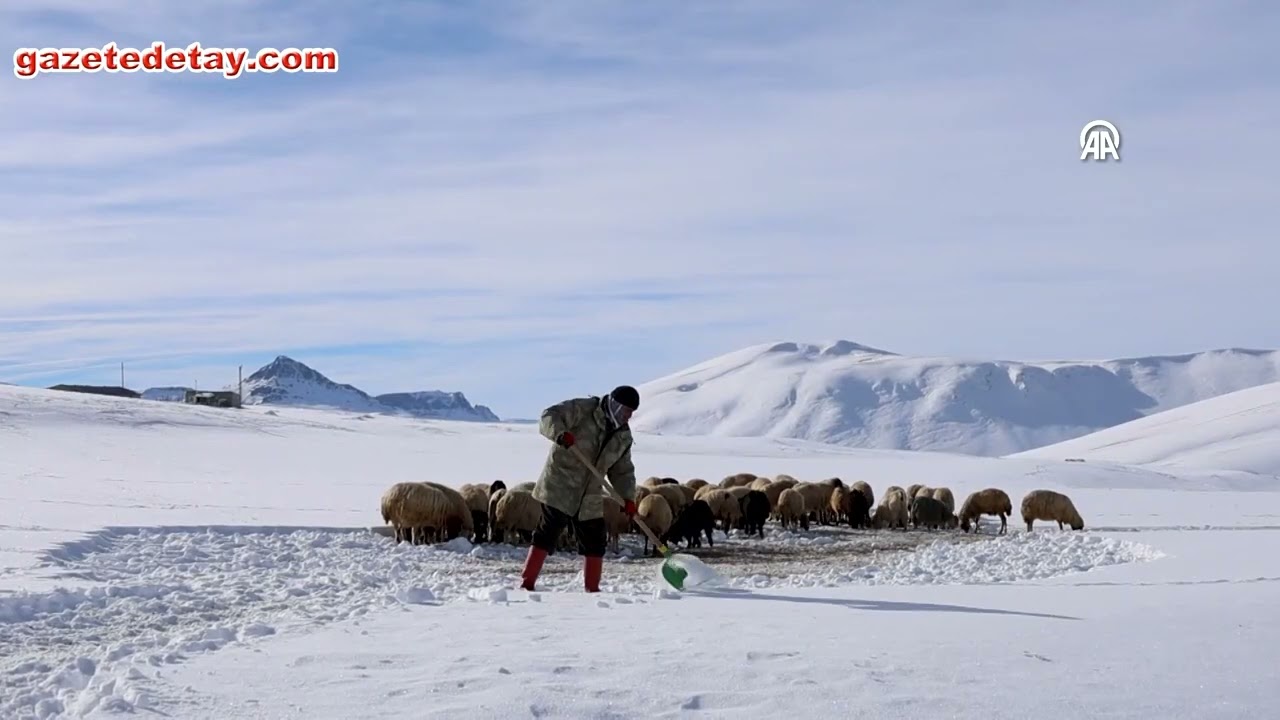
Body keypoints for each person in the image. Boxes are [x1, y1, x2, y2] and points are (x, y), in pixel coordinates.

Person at [519, 385, 640, 593]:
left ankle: (592, 590)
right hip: (562, 484)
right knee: (547, 532)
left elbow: (622, 471)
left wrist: (627, 497)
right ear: (616, 406)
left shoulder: (623, 436)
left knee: (595, 540)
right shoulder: (583, 410)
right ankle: (527, 583)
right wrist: (560, 433)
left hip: (590, 492)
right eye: (626, 411)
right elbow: (549, 416)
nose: (628, 417)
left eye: (631, 413)